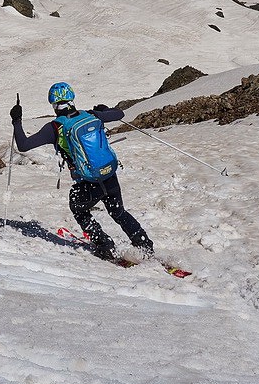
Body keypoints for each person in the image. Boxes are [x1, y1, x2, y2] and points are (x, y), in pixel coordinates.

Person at [10, 82, 155, 261]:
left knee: (77, 208)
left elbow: (23, 145)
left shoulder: (55, 128)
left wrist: (16, 120)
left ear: (53, 104)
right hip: (109, 174)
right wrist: (105, 110)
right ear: (71, 99)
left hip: (88, 182)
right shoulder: (91, 115)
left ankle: (105, 245)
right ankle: (144, 245)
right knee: (119, 212)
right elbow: (119, 114)